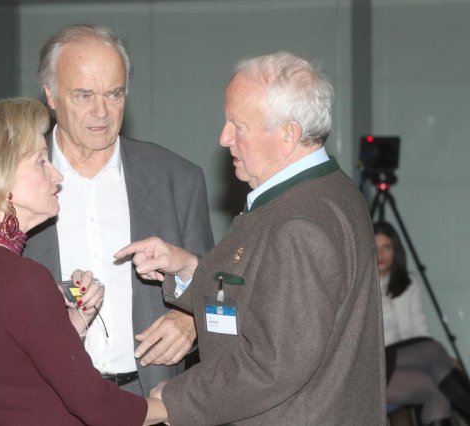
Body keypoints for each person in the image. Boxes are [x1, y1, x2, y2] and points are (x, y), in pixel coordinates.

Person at [115, 51, 386, 425]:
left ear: (288, 135)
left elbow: (274, 364)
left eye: (238, 125)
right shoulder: (326, 190)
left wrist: (174, 401)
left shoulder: (299, 224)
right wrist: (190, 269)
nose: (224, 138)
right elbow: (266, 297)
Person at [0, 97, 167, 425]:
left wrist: (71, 324)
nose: (57, 175)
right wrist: (173, 405)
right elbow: (99, 408)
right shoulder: (22, 279)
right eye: (41, 161)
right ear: (0, 178)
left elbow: (15, 377)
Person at [25, 24, 214, 392]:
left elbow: (215, 284)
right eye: (83, 95)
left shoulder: (177, 178)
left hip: (147, 396)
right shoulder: (12, 181)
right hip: (46, 399)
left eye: (114, 94)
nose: (101, 112)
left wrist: (190, 320)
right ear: (50, 95)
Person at [374, 221, 470, 425]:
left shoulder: (408, 282)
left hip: (402, 360)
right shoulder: (360, 285)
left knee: (439, 390)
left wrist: (444, 360)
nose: (380, 254)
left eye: (386, 247)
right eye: (375, 247)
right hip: (373, 364)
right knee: (435, 351)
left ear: (395, 250)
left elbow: (419, 330)